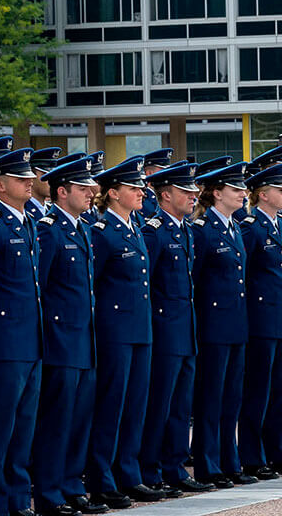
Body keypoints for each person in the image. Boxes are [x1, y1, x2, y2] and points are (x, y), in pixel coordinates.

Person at [0, 148, 45, 516]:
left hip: (31, 343)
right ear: (0, 185)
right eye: (20, 178)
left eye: (29, 176)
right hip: (3, 344)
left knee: (23, 431)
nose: (29, 181)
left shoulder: (27, 222)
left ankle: (18, 501)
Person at [33, 156, 107, 516]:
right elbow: (41, 288)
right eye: (82, 188)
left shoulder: (82, 227)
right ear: (62, 192)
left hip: (84, 338)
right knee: (57, 420)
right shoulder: (49, 229)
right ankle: (50, 491)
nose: (91, 193)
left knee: (79, 420)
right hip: (61, 340)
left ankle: (71, 484)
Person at [87, 157, 161, 507]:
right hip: (114, 331)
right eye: (133, 188)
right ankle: (103, 478)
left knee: (135, 406)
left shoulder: (135, 227)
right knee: (111, 406)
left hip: (139, 330)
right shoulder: (103, 232)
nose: (141, 192)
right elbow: (94, 284)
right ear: (113, 193)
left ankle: (128, 474)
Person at [140, 161, 209, 496]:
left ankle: (175, 466)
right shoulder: (155, 230)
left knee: (182, 406)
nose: (193, 196)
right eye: (185, 191)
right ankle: (151, 470)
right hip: (165, 329)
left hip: (185, 329)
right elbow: (147, 284)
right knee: (160, 406)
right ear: (165, 195)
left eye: (194, 191)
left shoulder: (184, 230)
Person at [188, 162, 250, 488]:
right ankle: (208, 464)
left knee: (230, 400)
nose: (242, 192)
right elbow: (195, 283)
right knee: (210, 400)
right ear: (216, 192)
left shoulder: (234, 228)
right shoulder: (203, 230)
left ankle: (229, 460)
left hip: (235, 325)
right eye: (235, 188)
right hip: (213, 328)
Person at [238, 163, 282, 478]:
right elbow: (243, 276)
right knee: (259, 390)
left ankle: (277, 451)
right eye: (279, 189)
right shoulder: (251, 227)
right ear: (262, 194)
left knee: (281, 391)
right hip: (261, 319)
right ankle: (252, 455)